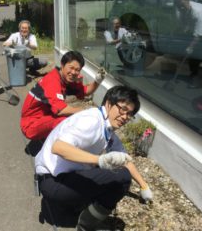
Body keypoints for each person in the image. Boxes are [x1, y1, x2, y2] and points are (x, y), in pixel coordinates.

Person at [35, 86, 153, 230]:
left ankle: (75, 206)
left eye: (130, 114)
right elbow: (58, 147)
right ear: (109, 103)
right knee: (121, 177)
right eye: (123, 109)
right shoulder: (91, 121)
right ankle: (86, 225)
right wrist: (99, 160)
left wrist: (143, 185)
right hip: (52, 182)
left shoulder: (106, 128)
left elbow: (125, 159)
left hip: (55, 178)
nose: (125, 117)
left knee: (111, 169)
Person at [21, 51, 105, 140]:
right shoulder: (53, 81)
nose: (73, 72)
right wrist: (86, 111)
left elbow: (86, 91)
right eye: (71, 67)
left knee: (72, 115)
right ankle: (58, 148)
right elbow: (60, 110)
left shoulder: (65, 79)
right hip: (30, 124)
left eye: (77, 70)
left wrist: (98, 80)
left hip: (43, 117)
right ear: (62, 65)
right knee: (66, 121)